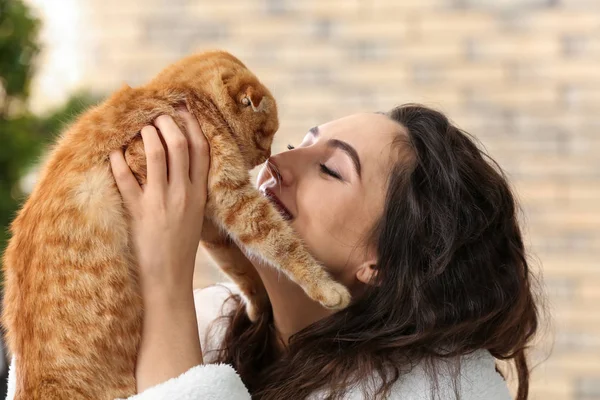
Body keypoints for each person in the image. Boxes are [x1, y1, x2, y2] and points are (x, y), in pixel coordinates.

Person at [6, 104, 540, 399]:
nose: (280, 163)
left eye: (330, 169)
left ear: (382, 263)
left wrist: (164, 277)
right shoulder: (217, 327)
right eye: (299, 142)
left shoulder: (429, 395)